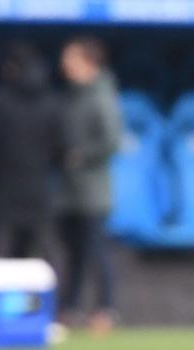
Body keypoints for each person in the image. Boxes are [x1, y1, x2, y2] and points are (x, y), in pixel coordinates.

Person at [55, 37, 122, 333]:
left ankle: (105, 309)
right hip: (69, 191)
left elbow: (111, 141)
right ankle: (70, 308)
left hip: (93, 192)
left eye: (71, 58)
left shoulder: (101, 96)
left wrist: (81, 156)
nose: (65, 64)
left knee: (97, 253)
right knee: (74, 254)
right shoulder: (71, 96)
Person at [0, 44, 65, 260]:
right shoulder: (53, 102)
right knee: (42, 253)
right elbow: (61, 147)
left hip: (2, 186)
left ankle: (0, 294)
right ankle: (43, 295)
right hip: (40, 186)